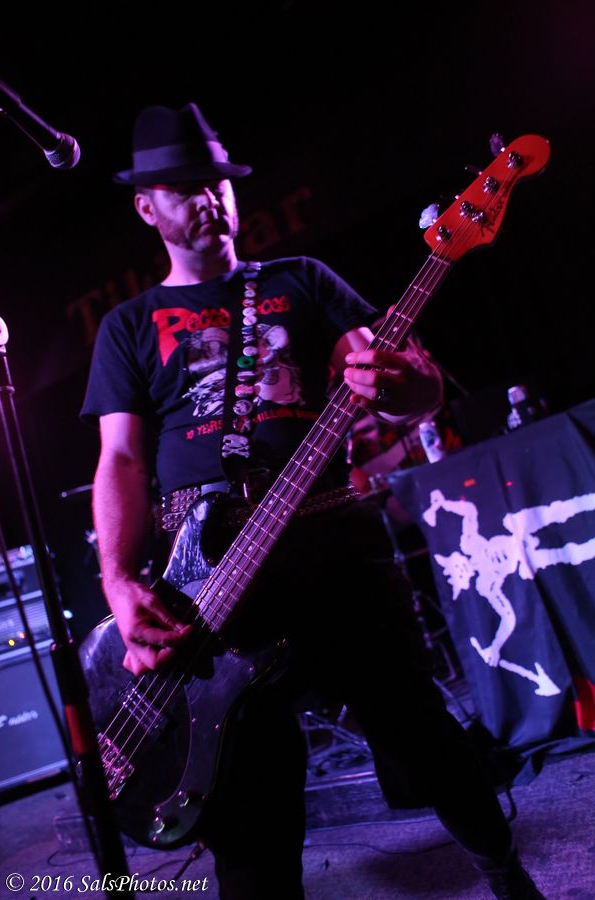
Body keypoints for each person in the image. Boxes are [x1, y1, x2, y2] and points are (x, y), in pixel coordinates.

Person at [81, 102, 545, 899]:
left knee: (424, 737)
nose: (209, 198)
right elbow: (120, 458)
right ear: (147, 207)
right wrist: (120, 582)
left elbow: (413, 389)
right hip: (211, 580)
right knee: (251, 816)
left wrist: (402, 383)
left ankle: (508, 878)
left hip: (331, 544)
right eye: (185, 187)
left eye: (218, 182)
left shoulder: (300, 279)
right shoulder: (128, 326)